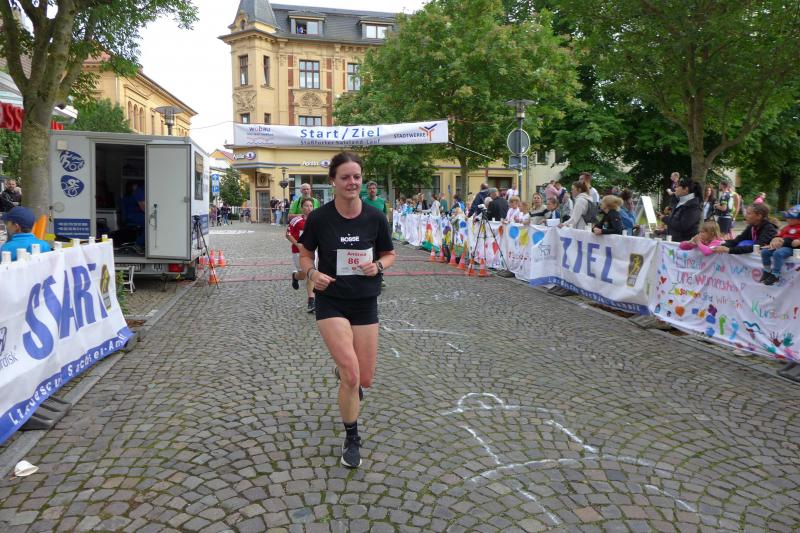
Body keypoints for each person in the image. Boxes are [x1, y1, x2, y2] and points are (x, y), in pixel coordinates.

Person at [297, 152, 396, 469]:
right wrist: (312, 273)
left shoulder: (375, 217)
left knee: (364, 378)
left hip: (365, 301)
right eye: (345, 177)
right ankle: (352, 438)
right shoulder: (319, 218)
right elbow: (304, 254)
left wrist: (379, 265)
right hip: (332, 300)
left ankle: (343, 373)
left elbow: (389, 253)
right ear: (333, 181)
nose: (352, 182)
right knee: (353, 375)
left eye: (357, 177)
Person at [713, 203, 777, 255]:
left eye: (748, 213)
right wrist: (719, 244)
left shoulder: (769, 229)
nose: (745, 216)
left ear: (759, 216)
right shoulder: (752, 226)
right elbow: (738, 240)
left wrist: (729, 250)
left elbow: (756, 247)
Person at [287, 197, 317, 311]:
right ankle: (295, 276)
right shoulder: (296, 220)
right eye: (306, 206)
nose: (309, 208)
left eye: (311, 206)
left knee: (310, 274)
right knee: (303, 275)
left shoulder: (316, 220)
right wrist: (298, 244)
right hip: (298, 251)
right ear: (301, 207)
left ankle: (311, 301)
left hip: (312, 251)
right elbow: (288, 234)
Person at [759, 204, 800, 285]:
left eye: (790, 218)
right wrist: (774, 240)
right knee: (765, 251)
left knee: (778, 253)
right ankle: (767, 270)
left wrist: (798, 241)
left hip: (791, 248)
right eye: (787, 217)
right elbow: (778, 236)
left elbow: (796, 243)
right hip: (781, 245)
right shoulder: (787, 227)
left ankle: (775, 274)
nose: (787, 219)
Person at [663, 178, 702, 242]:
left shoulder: (694, 205)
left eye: (677, 187)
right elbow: (674, 223)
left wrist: (664, 218)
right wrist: (664, 231)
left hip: (684, 243)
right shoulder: (680, 202)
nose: (675, 189)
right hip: (675, 242)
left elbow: (682, 226)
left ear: (686, 189)